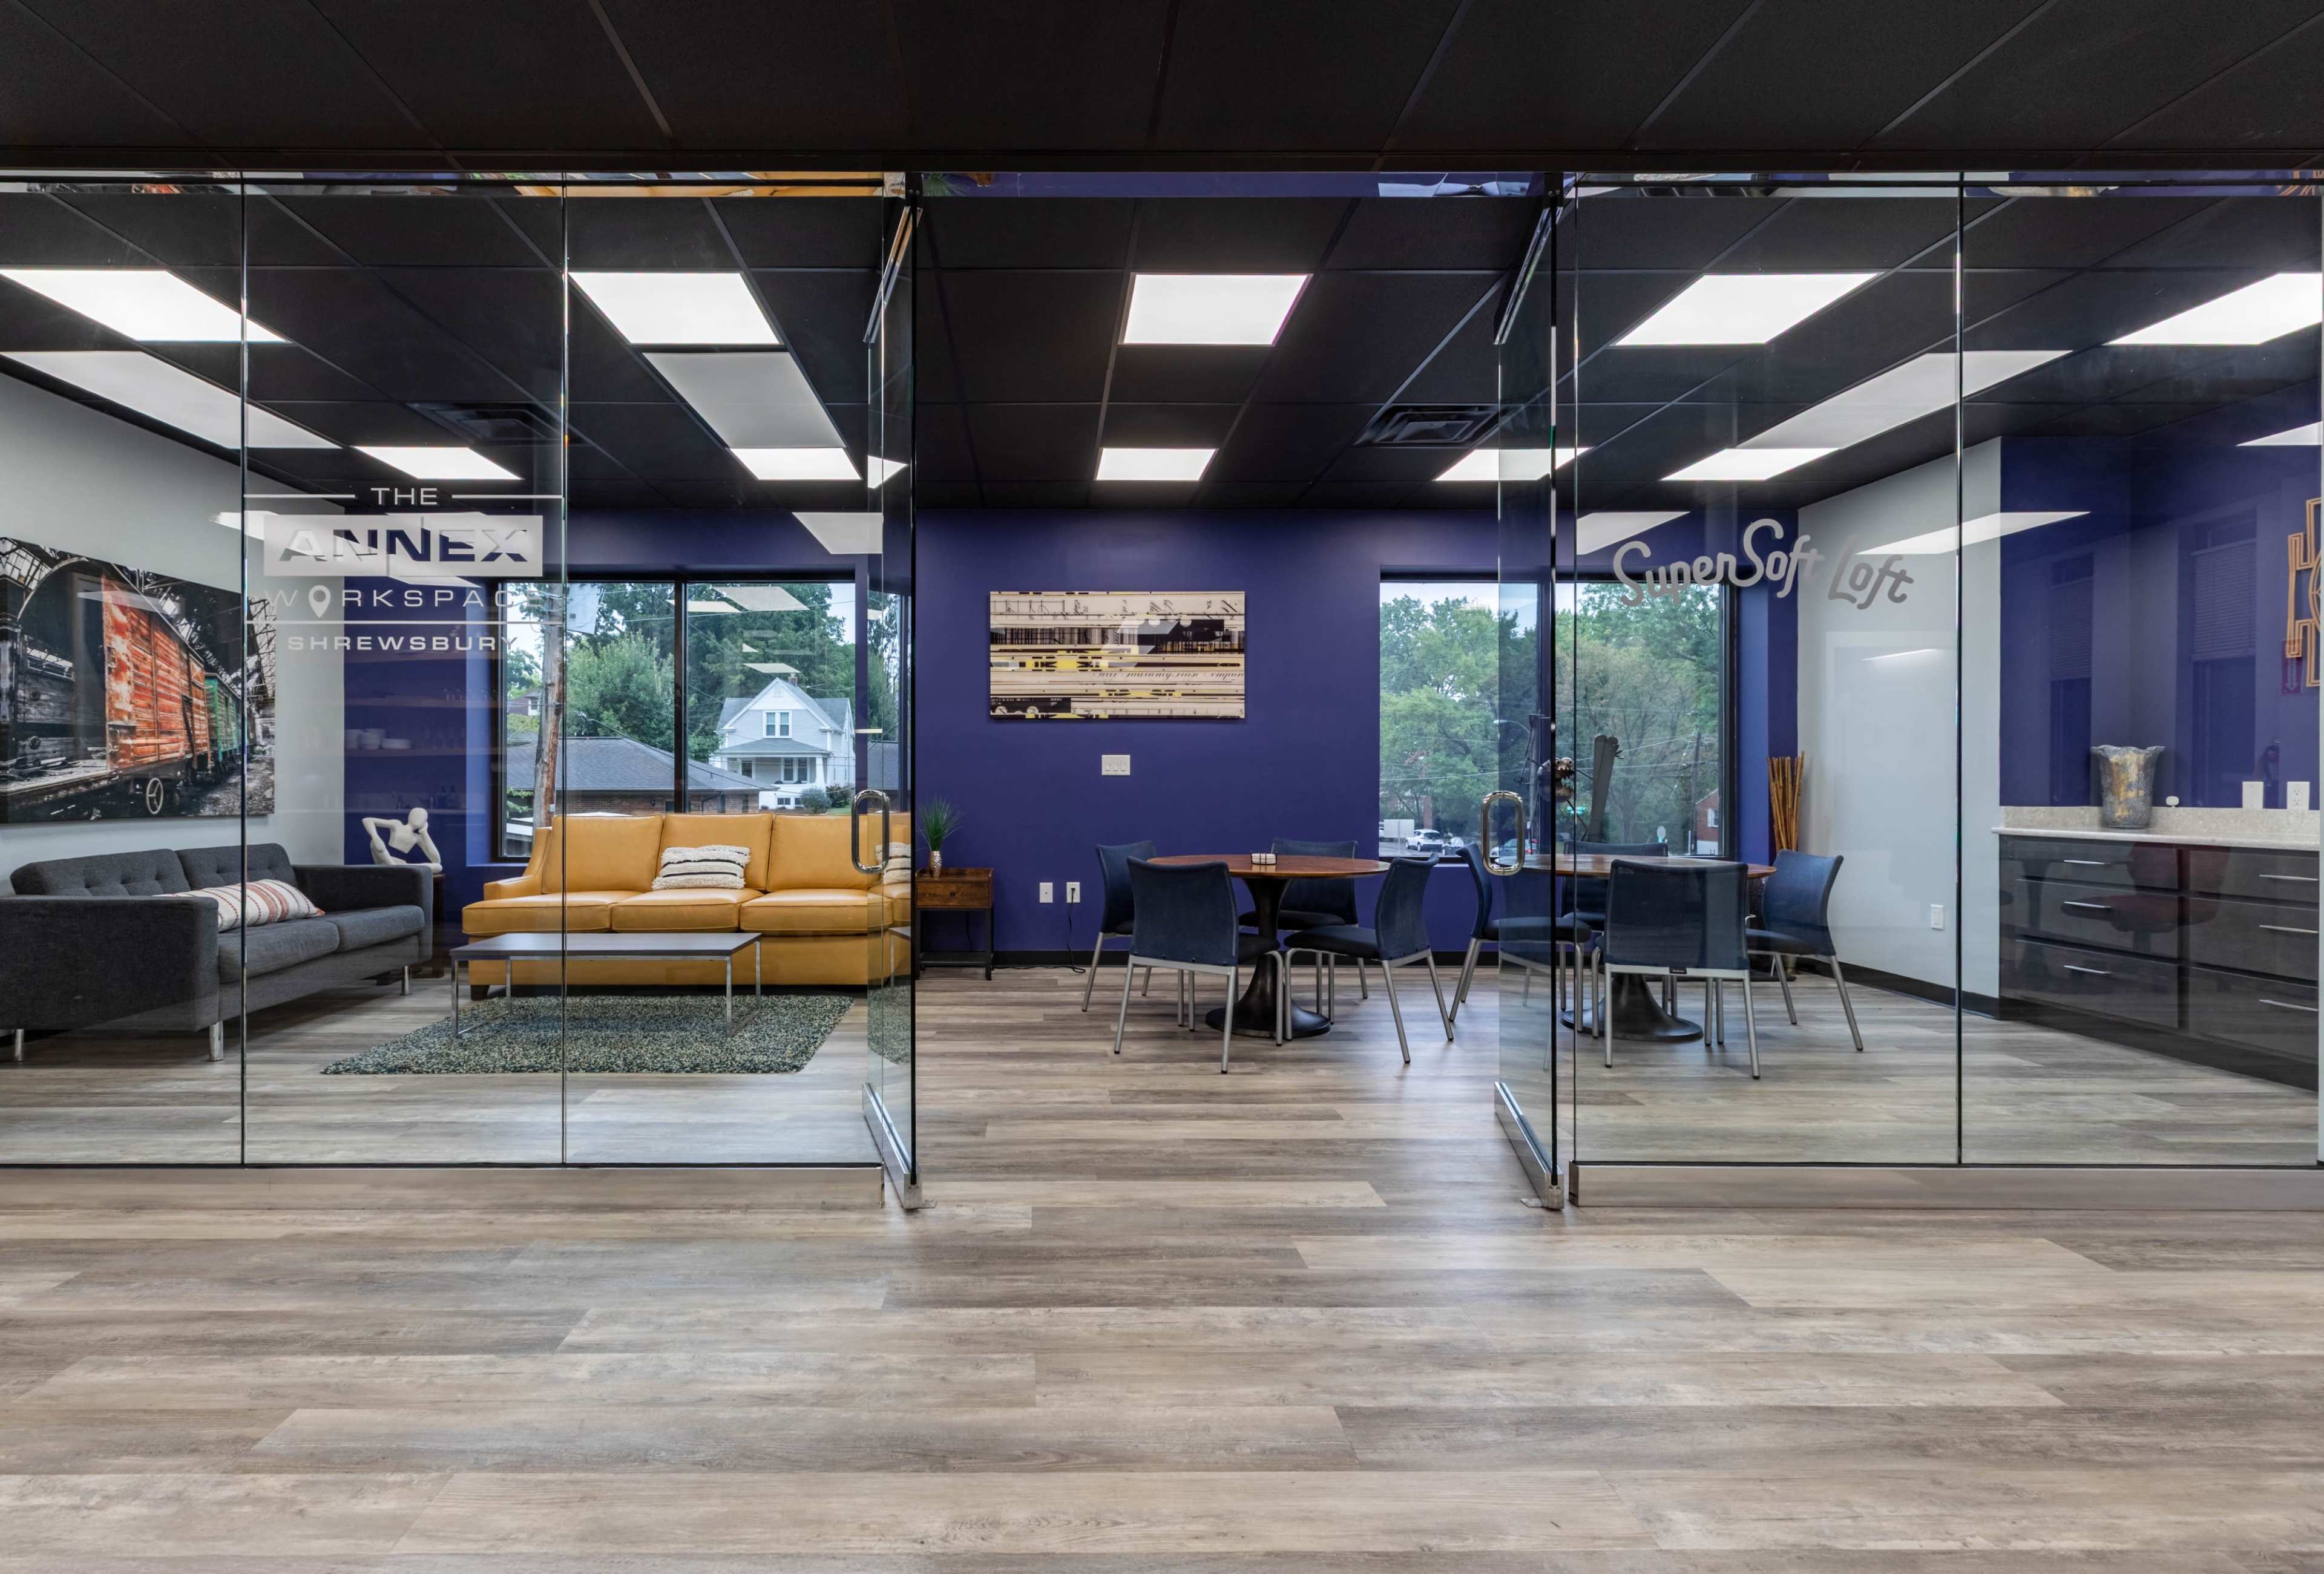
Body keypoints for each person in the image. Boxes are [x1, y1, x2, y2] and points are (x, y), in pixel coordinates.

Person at [363, 807, 442, 872]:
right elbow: (367, 820)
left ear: (425, 823)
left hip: (402, 865)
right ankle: (394, 868)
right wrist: (375, 836)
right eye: (417, 815)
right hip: (385, 860)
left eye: (423, 818)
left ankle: (396, 869)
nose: (419, 819)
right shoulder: (397, 825)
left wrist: (424, 833)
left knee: (438, 867)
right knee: (373, 843)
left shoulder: (417, 838)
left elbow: (436, 860)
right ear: (410, 816)